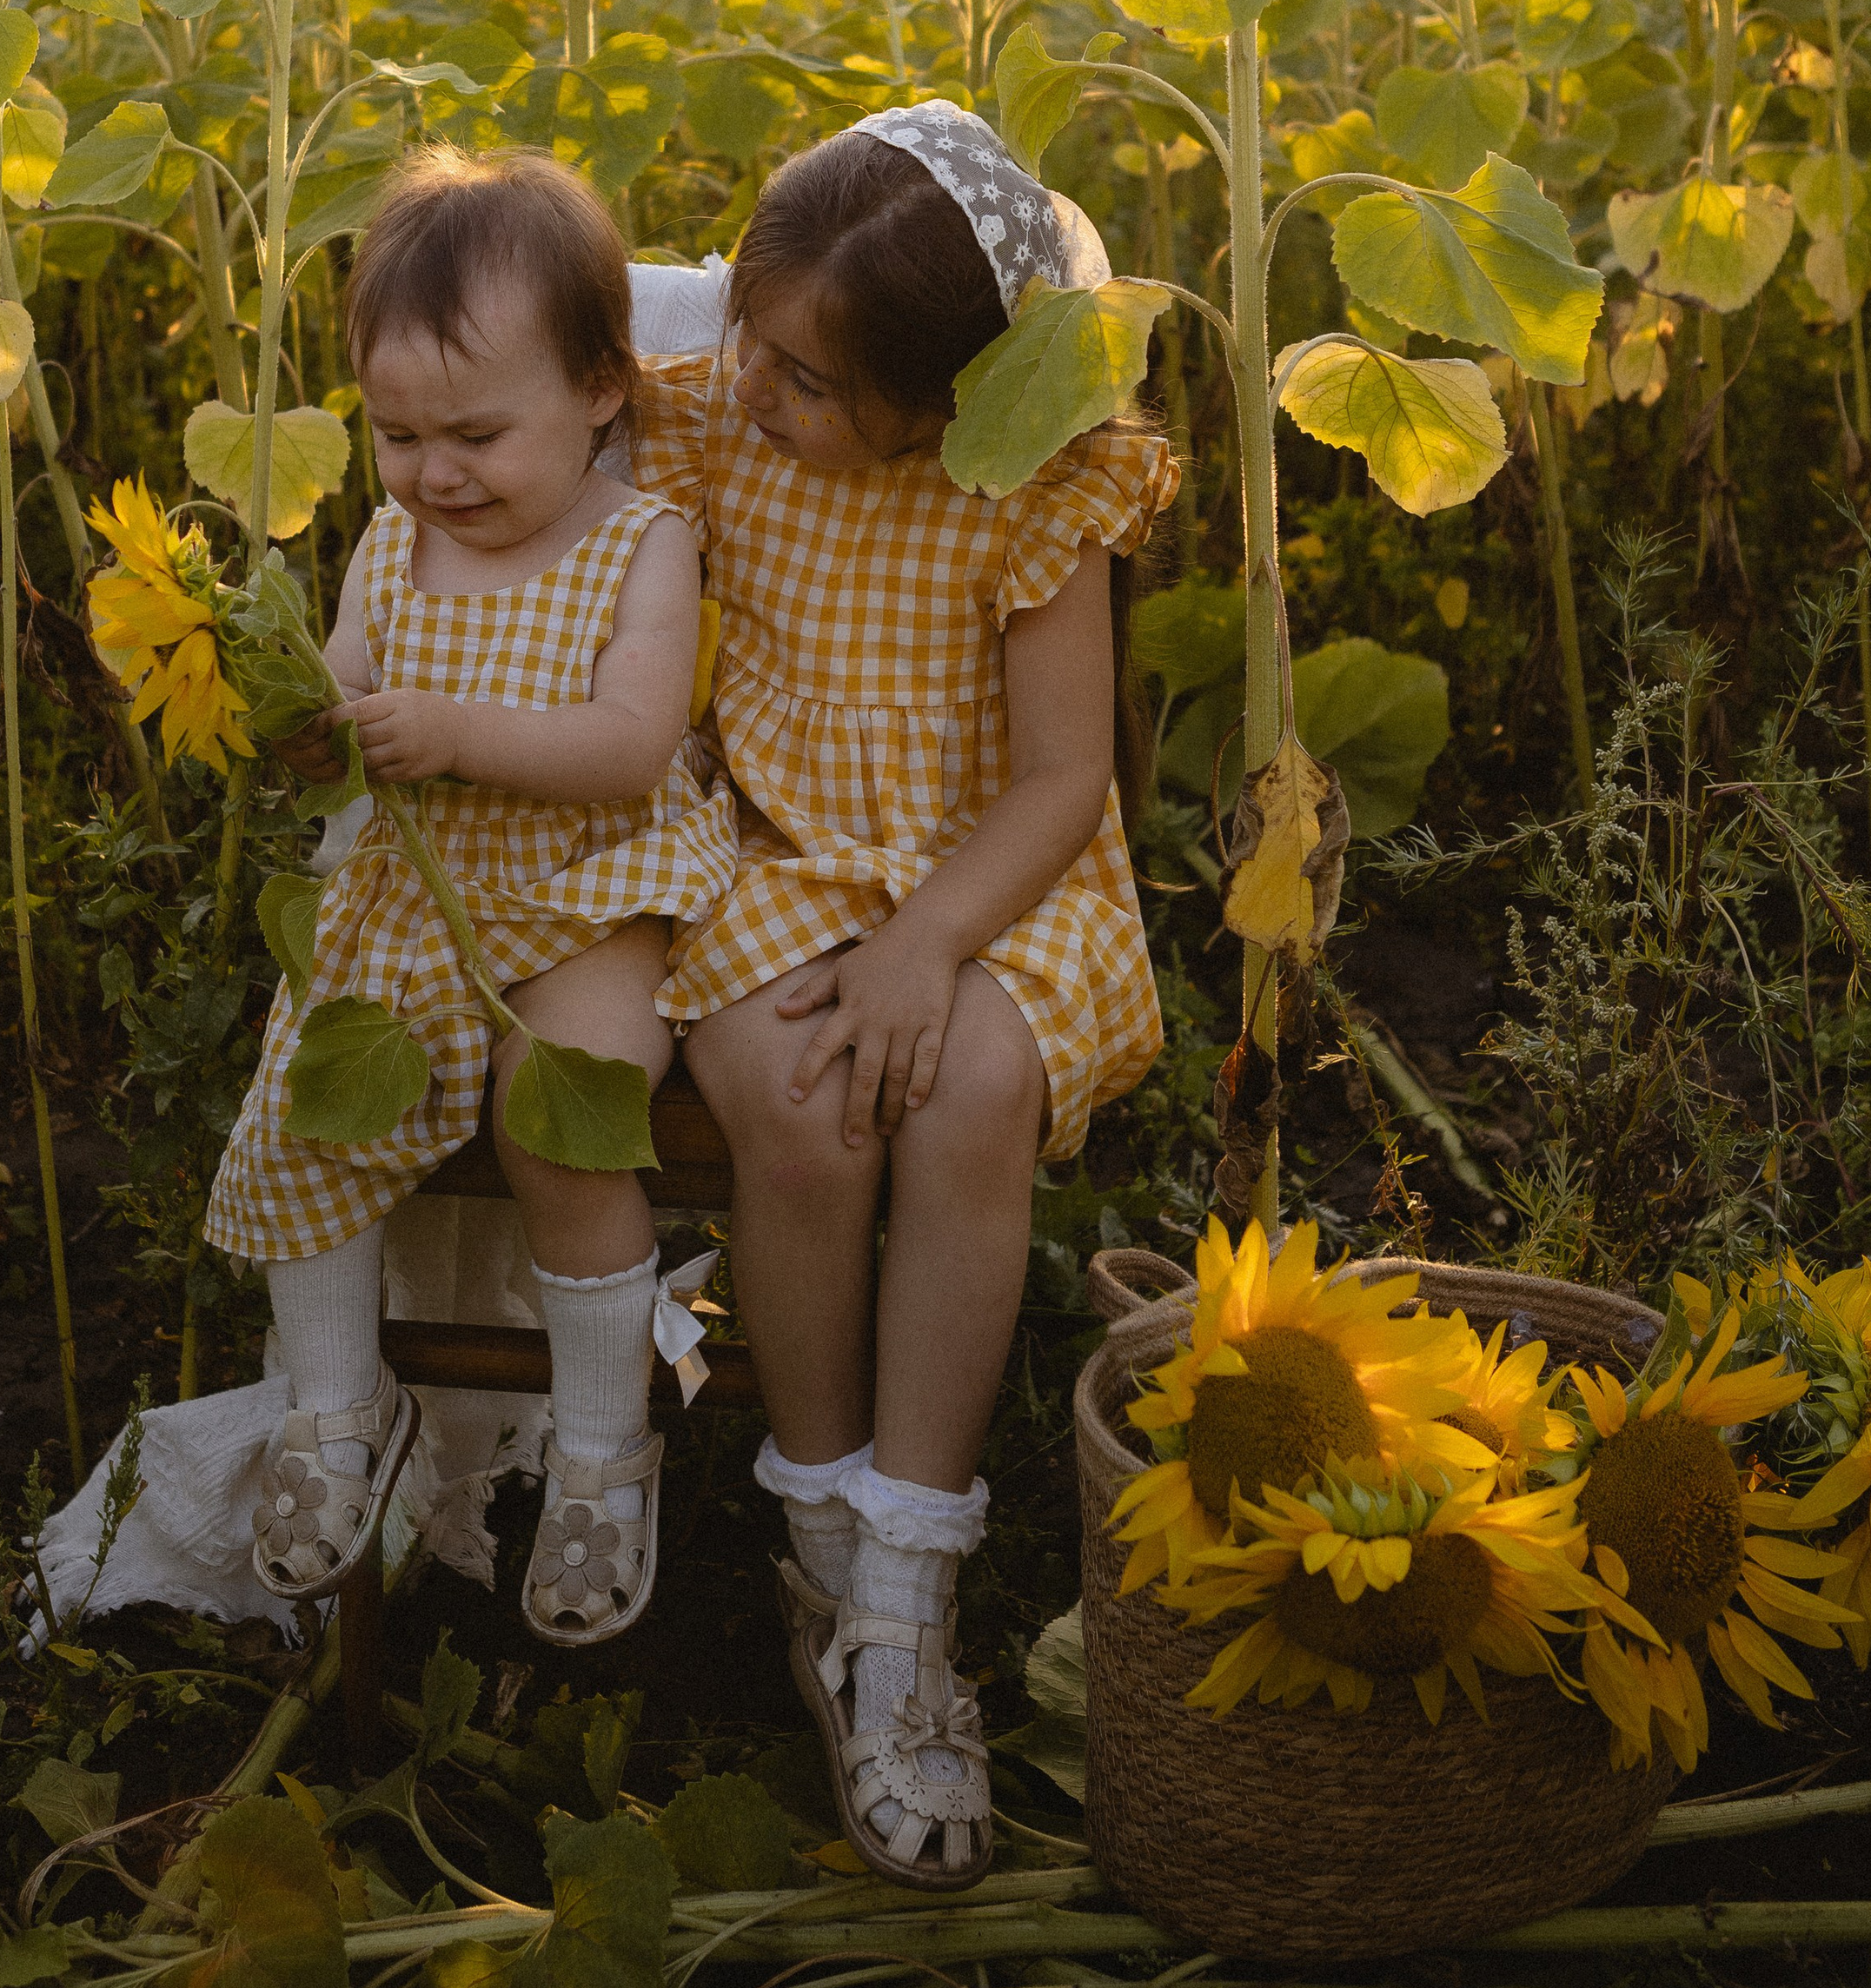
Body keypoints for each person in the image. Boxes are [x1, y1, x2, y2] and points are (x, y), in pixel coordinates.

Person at [631, 103, 1177, 1888]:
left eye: (807, 378)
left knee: (963, 1091)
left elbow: (1055, 782)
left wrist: (928, 942)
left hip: (983, 872)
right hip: (775, 852)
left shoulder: (1030, 482)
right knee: (797, 1104)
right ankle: (818, 1535)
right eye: (751, 342)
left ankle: (906, 1592)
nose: (758, 389)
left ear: (948, 404)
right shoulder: (720, 424)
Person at [206, 147, 739, 1646]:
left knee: (556, 1114)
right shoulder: (399, 545)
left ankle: (597, 1448)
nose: (436, 474)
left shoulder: (644, 544)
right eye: (397, 435)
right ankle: (331, 1409)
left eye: (478, 434)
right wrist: (310, 723)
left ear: (603, 390)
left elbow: (634, 747)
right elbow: (355, 704)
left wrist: (450, 736)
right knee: (316, 1089)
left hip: (590, 894)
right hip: (421, 897)